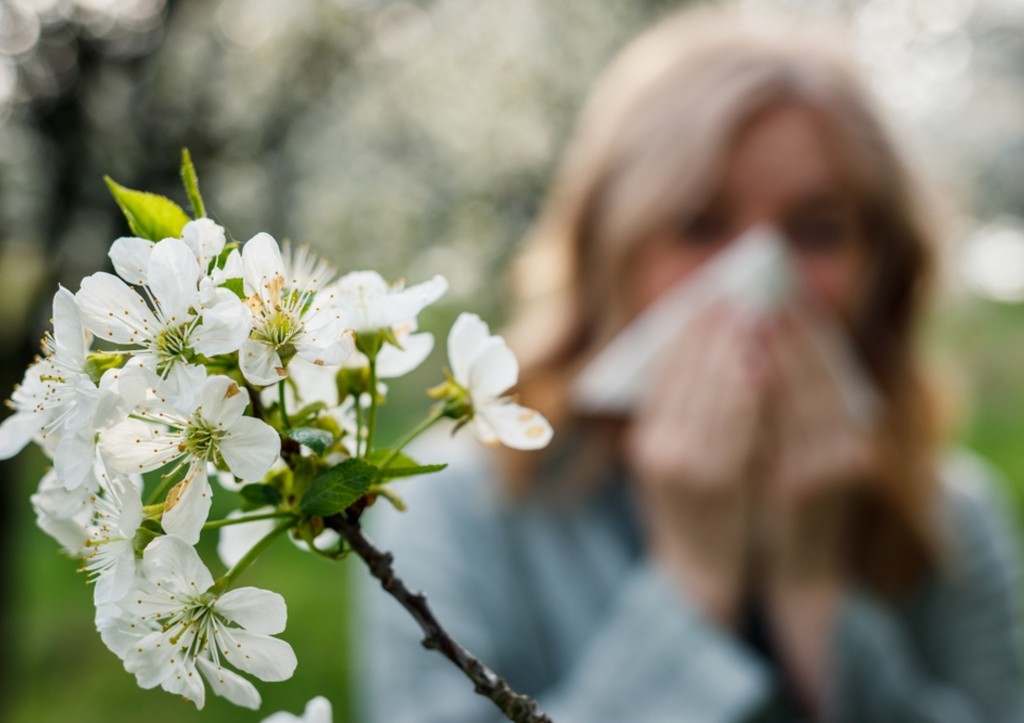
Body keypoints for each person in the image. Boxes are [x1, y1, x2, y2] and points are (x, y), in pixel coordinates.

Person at [355, 6, 1024, 722]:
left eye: (819, 230)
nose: (760, 279)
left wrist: (815, 592)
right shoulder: (459, 511)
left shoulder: (951, 521)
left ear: (882, 269)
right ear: (609, 252)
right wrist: (693, 577)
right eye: (700, 224)